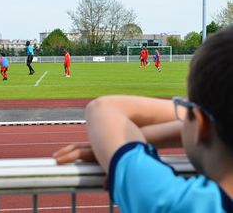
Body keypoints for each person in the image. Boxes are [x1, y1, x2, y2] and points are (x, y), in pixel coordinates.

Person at [54, 25, 233, 212]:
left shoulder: (177, 204)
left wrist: (111, 145)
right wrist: (205, 113)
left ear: (199, 124)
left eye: (186, 109)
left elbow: (103, 107)